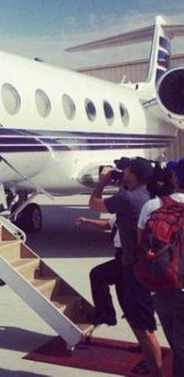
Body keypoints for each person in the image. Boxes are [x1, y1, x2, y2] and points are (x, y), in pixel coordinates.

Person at [89, 157, 164, 377]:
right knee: (136, 317)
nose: (123, 172)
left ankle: (155, 370)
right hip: (135, 264)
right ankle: (108, 315)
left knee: (144, 327)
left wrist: (102, 182)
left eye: (127, 170)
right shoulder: (146, 195)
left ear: (134, 175)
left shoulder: (127, 198)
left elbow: (94, 204)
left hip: (135, 269)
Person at [138, 158, 184, 377]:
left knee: (178, 350)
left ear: (174, 178)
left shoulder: (153, 205)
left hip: (162, 289)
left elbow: (141, 244)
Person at [75, 216, 125, 326]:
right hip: (122, 257)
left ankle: (106, 314)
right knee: (127, 303)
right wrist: (88, 221)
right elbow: (108, 224)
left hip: (129, 258)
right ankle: (107, 314)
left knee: (97, 275)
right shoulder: (122, 213)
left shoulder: (133, 213)